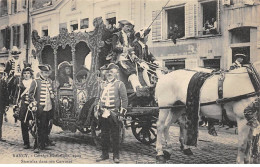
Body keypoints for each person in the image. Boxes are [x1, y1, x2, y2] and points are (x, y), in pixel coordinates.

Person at [95, 63, 128, 164]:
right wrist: (97, 110)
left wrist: (122, 115)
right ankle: (104, 154)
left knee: (115, 135)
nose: (110, 74)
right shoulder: (102, 84)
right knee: (104, 134)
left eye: (112, 72)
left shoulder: (120, 84)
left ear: (116, 73)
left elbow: (124, 100)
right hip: (103, 112)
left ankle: (116, 156)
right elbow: (98, 98)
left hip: (114, 113)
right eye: (108, 72)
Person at [28, 64, 55, 153]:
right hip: (40, 109)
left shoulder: (50, 81)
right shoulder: (35, 82)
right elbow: (30, 95)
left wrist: (53, 95)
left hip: (49, 107)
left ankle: (43, 145)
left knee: (46, 127)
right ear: (41, 72)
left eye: (47, 73)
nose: (46, 74)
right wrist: (34, 105)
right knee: (39, 127)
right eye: (45, 73)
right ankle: (36, 146)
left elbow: (51, 92)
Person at [111, 19, 142, 92]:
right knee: (130, 70)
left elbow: (129, 49)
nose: (129, 28)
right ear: (122, 27)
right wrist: (127, 49)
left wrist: (133, 55)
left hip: (127, 58)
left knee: (136, 69)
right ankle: (137, 88)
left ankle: (138, 87)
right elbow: (114, 48)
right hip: (119, 58)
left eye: (129, 27)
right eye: (127, 26)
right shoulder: (116, 35)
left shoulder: (128, 37)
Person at [14, 66, 34, 149]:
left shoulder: (34, 82)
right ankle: (26, 142)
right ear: (23, 74)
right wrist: (16, 105)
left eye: (28, 73)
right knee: (24, 124)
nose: (26, 75)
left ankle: (39, 141)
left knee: (37, 122)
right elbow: (17, 95)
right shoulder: (20, 83)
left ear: (30, 74)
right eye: (25, 73)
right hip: (23, 106)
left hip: (33, 105)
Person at [0, 69, 9, 142]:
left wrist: (7, 104)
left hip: (1, 105)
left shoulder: (3, 82)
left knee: (0, 121)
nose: (0, 75)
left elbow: (6, 94)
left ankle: (0, 136)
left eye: (1, 74)